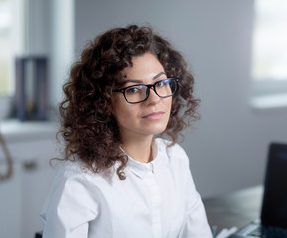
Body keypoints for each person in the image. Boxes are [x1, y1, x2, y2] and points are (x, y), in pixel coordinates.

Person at [40, 25, 213, 238]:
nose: (154, 99)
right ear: (105, 103)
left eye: (160, 83)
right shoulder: (80, 182)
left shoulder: (175, 158)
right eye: (133, 89)